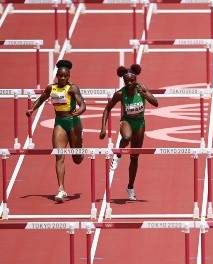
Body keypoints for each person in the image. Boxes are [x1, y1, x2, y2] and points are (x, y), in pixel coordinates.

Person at [26, 59, 86, 202]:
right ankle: (61, 189)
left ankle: (80, 146)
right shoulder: (50, 88)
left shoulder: (72, 88)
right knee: (59, 155)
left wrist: (79, 112)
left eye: (66, 76)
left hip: (73, 122)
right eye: (60, 76)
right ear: (57, 76)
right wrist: (32, 109)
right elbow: (41, 99)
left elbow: (83, 104)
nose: (63, 78)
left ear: (69, 77)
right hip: (59, 123)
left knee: (77, 159)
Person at [99, 64, 158, 201]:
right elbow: (107, 109)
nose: (130, 83)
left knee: (135, 158)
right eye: (127, 82)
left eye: (132, 81)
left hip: (140, 123)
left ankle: (130, 187)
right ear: (124, 82)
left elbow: (156, 103)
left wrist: (145, 94)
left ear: (136, 79)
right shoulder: (120, 93)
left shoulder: (141, 88)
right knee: (126, 137)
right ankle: (118, 154)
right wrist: (103, 127)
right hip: (127, 121)